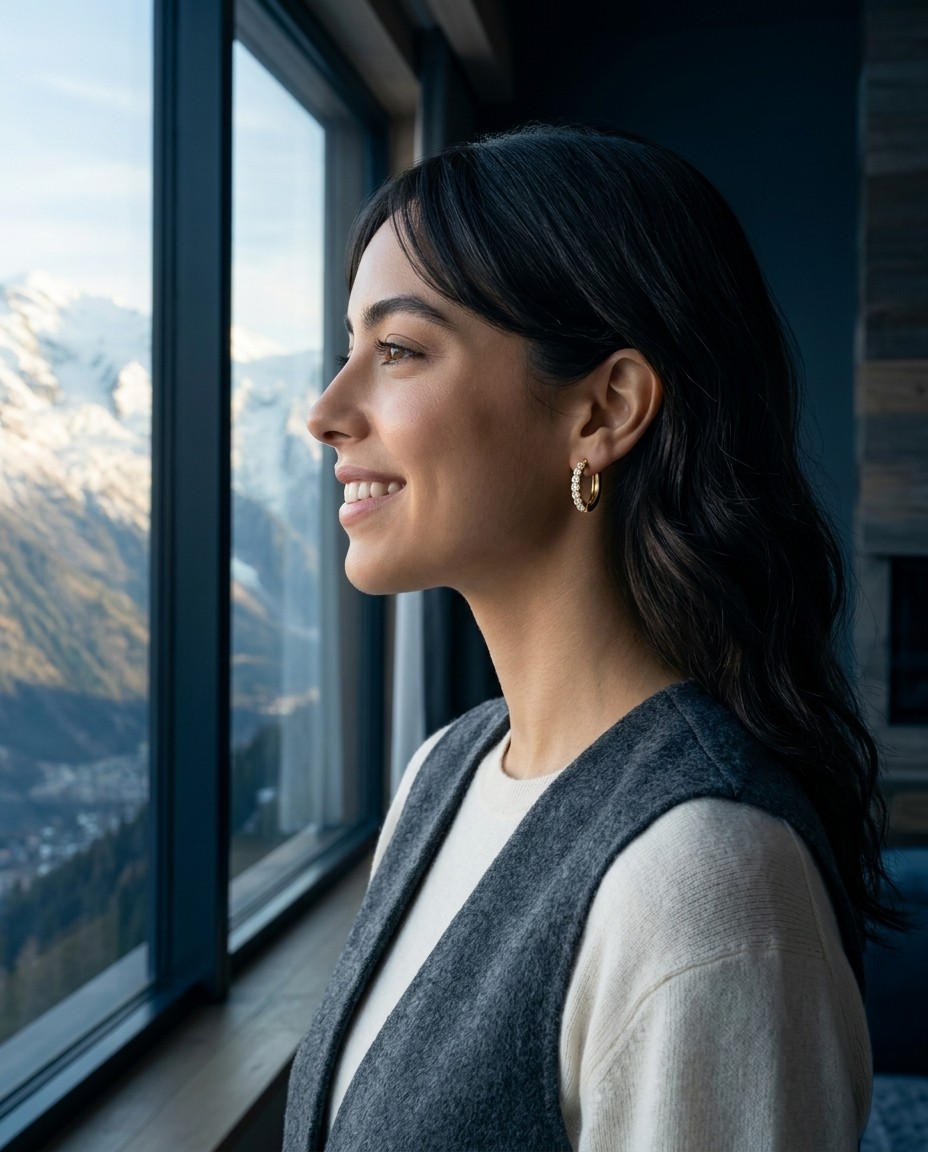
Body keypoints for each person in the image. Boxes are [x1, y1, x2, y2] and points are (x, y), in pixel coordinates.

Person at [283, 124, 896, 1151]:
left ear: (604, 410)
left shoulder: (704, 885)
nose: (327, 411)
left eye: (397, 350)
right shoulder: (448, 770)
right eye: (347, 349)